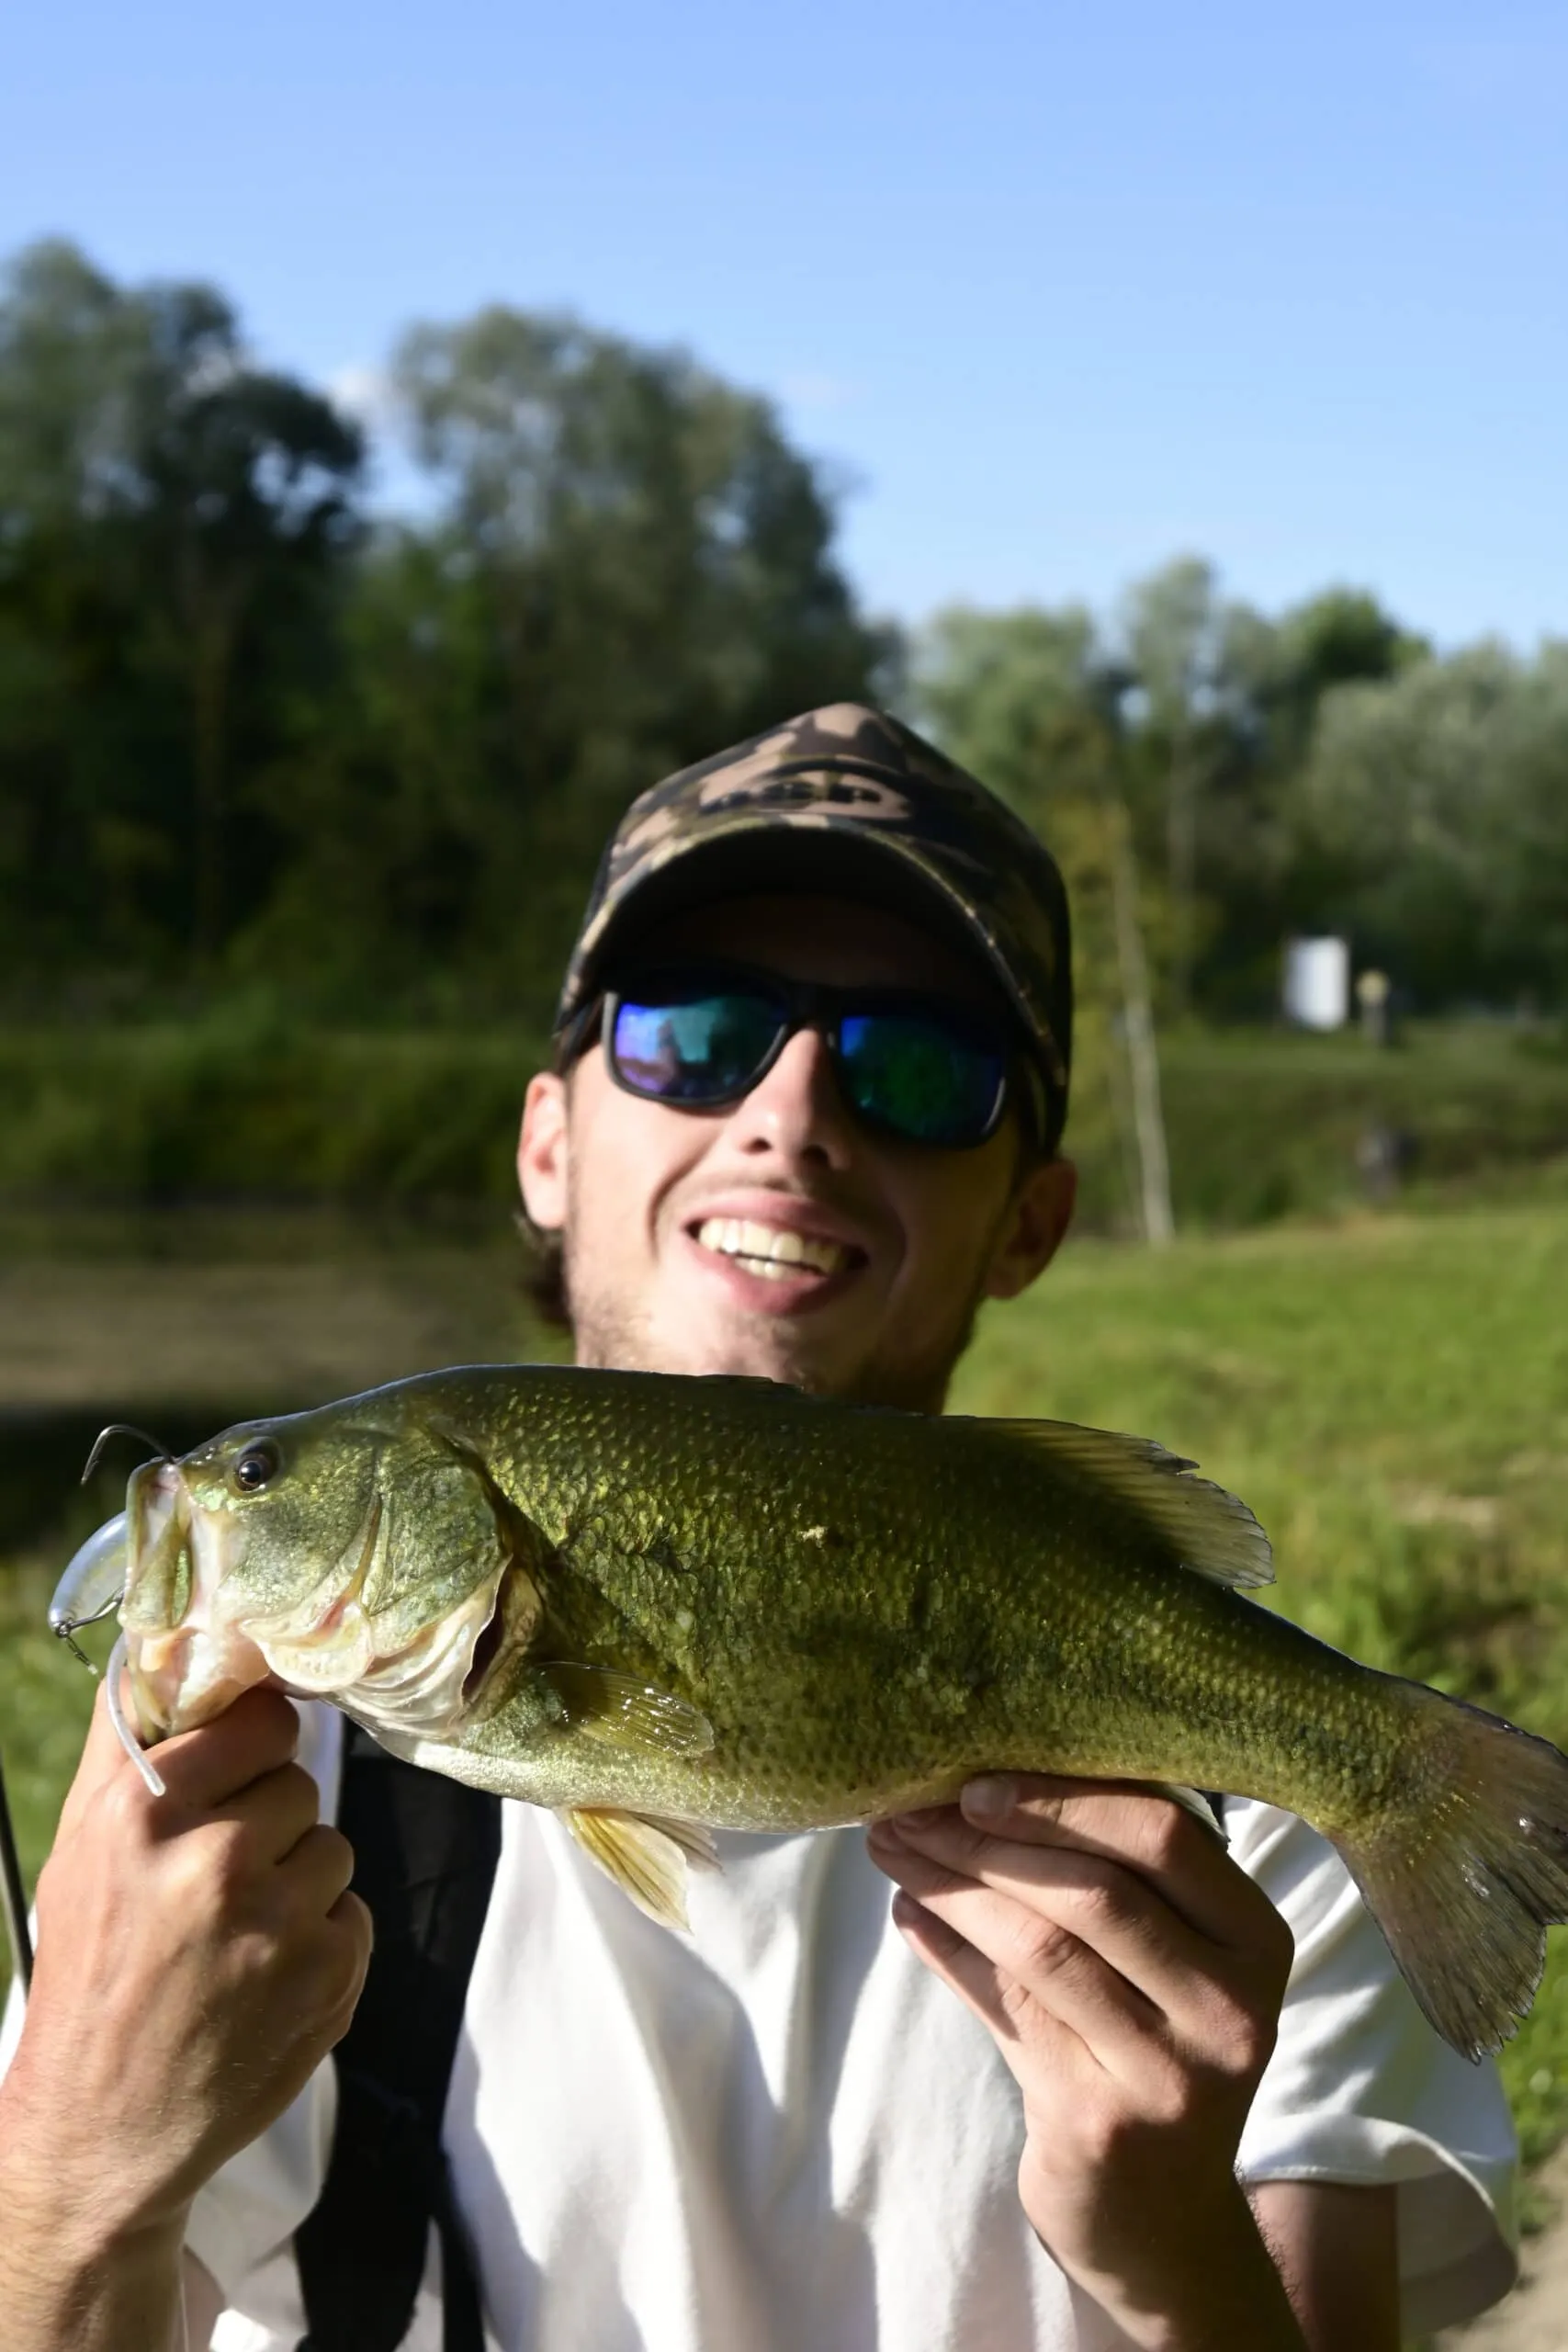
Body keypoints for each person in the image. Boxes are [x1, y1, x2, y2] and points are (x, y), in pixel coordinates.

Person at [0, 705, 1519, 2350]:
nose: (793, 1114)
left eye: (916, 1066)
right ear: (546, 1141)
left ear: (1031, 1222)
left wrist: (1178, 2261)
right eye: (698, 1030)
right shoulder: (248, 1844)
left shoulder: (1255, 1844)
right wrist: (72, 2165)